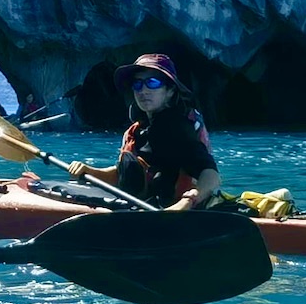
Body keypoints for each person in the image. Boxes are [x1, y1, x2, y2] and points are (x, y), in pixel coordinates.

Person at [68, 52, 221, 211]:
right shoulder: (139, 130)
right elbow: (128, 175)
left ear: (170, 91)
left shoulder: (179, 128)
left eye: (153, 83)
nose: (143, 91)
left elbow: (211, 174)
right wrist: (91, 172)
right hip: (143, 208)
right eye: (138, 84)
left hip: (174, 213)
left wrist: (187, 202)